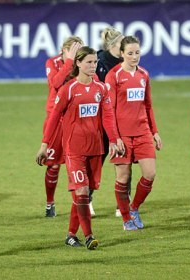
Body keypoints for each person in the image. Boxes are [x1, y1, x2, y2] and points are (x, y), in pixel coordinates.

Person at [36, 46, 123, 249]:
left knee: (82, 194)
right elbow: (54, 117)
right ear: (78, 63)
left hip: (95, 149)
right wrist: (44, 145)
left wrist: (114, 139)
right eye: (89, 62)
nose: (93, 66)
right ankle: (89, 236)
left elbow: (108, 116)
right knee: (82, 191)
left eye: (95, 62)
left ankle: (70, 235)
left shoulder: (101, 89)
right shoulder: (69, 89)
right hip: (74, 150)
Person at [105, 35, 162, 231]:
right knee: (122, 177)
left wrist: (154, 132)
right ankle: (126, 219)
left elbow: (148, 105)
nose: (134, 56)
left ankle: (134, 208)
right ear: (121, 54)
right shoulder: (113, 76)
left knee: (150, 173)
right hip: (122, 136)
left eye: (137, 52)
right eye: (130, 53)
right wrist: (114, 138)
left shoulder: (144, 75)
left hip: (143, 132)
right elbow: (109, 109)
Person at [41, 36, 83, 218]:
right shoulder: (52, 62)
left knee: (79, 163)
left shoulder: (81, 64)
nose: (76, 55)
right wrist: (70, 62)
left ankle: (84, 202)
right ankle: (50, 202)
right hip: (55, 120)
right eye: (72, 51)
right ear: (63, 51)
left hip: (76, 119)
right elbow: (55, 83)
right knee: (53, 166)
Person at [95, 26, 125, 217]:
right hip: (102, 119)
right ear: (114, 45)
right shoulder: (98, 63)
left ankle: (121, 205)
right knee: (97, 160)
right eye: (123, 42)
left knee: (124, 161)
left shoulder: (127, 62)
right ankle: (87, 198)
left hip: (121, 119)